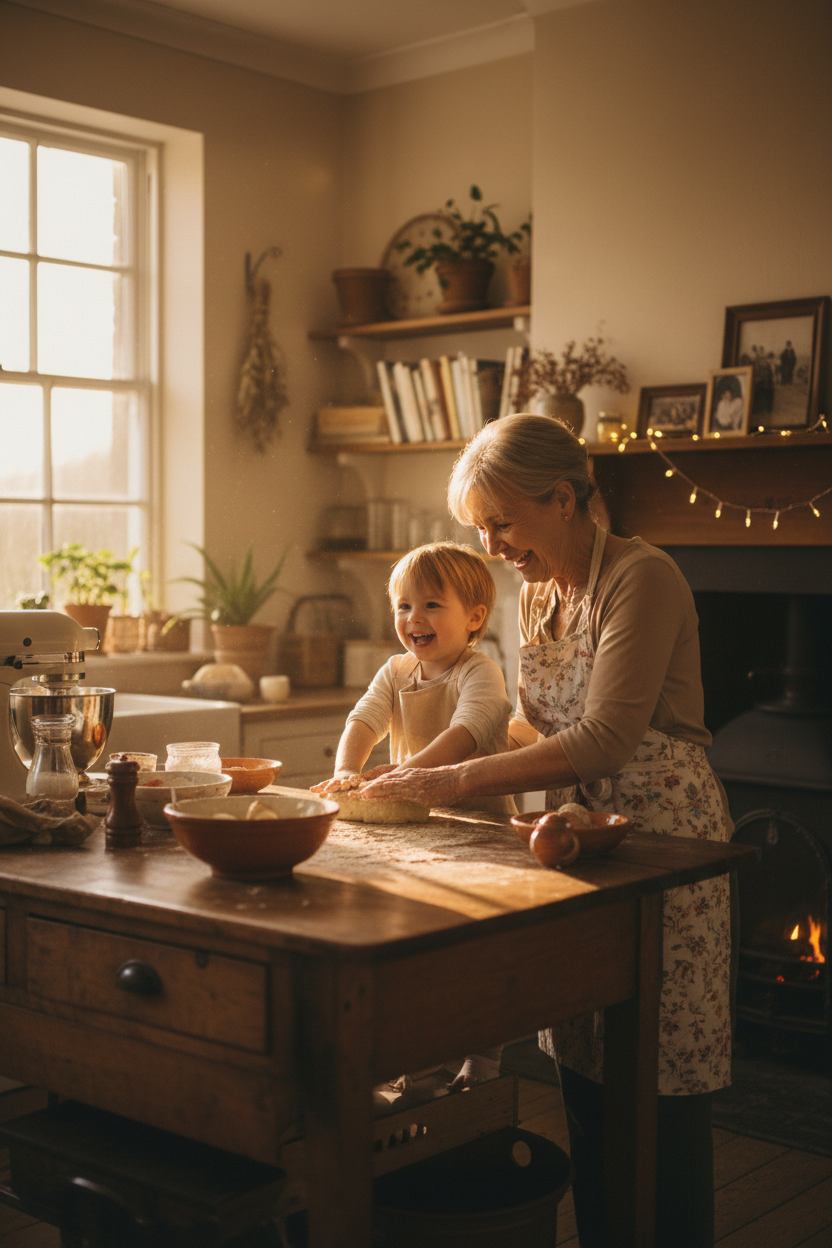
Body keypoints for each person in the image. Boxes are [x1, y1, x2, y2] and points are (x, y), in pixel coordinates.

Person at [360, 414, 734, 1248]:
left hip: (668, 847)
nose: (492, 545)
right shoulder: (539, 596)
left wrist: (447, 778)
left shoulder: (644, 578)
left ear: (563, 499)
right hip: (576, 845)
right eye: (479, 528)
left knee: (660, 1089)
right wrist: (444, 741)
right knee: (588, 1077)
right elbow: (538, 730)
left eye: (501, 523)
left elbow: (604, 740)